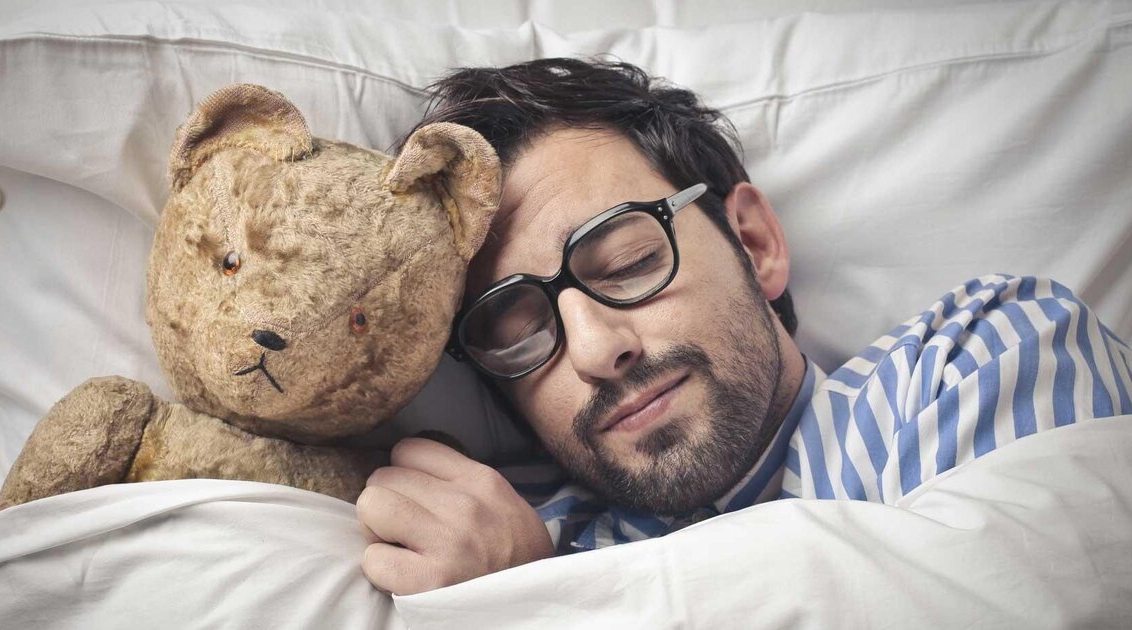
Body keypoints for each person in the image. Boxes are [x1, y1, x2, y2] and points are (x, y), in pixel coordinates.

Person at [354, 57, 1132, 596]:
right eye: (518, 330)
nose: (595, 348)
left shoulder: (985, 354)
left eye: (626, 262)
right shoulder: (487, 530)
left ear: (755, 245)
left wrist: (533, 604)